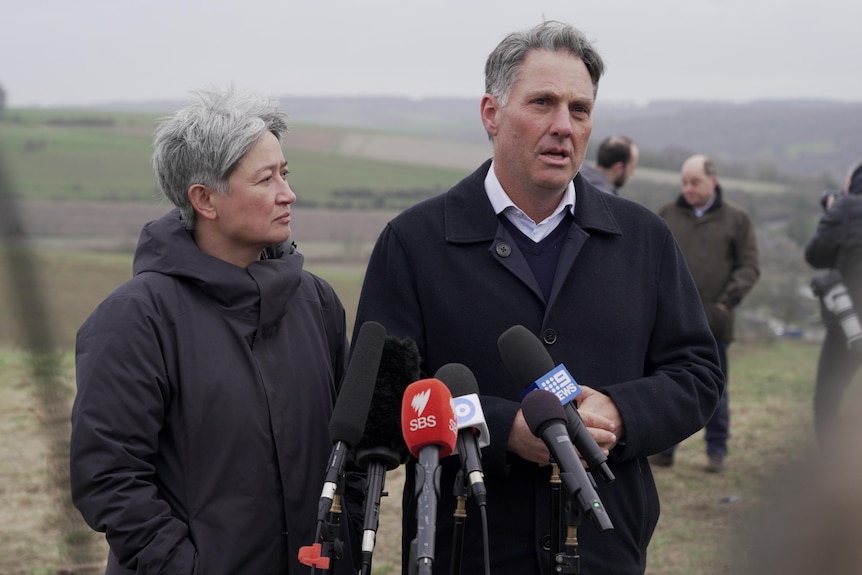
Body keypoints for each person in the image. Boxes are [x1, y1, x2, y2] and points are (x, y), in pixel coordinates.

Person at [354, 21, 723, 575]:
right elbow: (386, 399)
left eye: (579, 109)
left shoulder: (644, 239)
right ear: (491, 114)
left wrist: (621, 412)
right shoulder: (414, 243)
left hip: (606, 546)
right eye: (542, 103)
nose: (563, 126)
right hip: (468, 548)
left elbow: (697, 373)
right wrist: (503, 429)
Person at [69, 87, 363, 575]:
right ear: (204, 200)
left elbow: (345, 451)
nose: (287, 194)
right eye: (265, 179)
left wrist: (342, 540)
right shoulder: (135, 320)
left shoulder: (316, 302)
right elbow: (109, 478)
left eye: (285, 174)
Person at [653, 154, 760, 473]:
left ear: (712, 182)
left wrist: (727, 301)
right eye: (684, 182)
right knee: (666, 386)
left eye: (695, 182)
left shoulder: (737, 219)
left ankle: (716, 451)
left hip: (715, 324)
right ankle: (664, 449)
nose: (688, 188)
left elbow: (749, 266)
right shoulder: (666, 215)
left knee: (716, 389)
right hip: (669, 323)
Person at [805, 159, 862, 444]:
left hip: (849, 323)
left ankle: (838, 473)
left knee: (828, 400)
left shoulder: (847, 207)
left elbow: (816, 255)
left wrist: (833, 213)